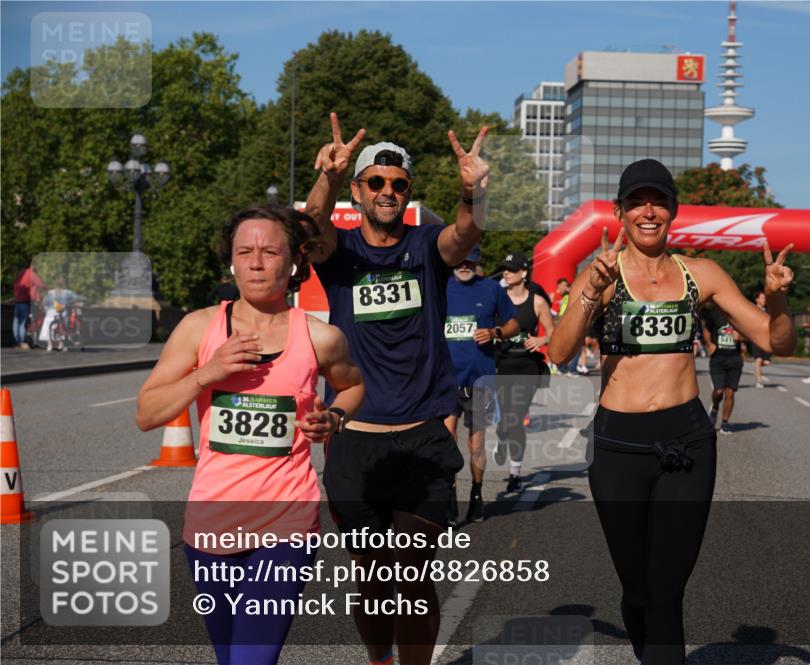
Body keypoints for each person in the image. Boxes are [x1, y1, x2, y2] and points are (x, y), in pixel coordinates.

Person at [548, 158, 795, 665]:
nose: (648, 211)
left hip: (686, 441)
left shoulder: (700, 273)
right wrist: (589, 293)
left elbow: (776, 342)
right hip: (618, 446)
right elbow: (559, 352)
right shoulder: (602, 273)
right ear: (620, 211)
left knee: (667, 589)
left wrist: (777, 299)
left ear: (673, 211)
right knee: (638, 589)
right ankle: (644, 627)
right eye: (637, 201)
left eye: (658, 201)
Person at [135, 205, 364, 665]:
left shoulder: (321, 337)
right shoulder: (200, 328)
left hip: (286, 524)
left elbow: (353, 385)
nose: (257, 262)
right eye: (245, 251)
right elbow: (146, 414)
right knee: (230, 657)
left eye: (270, 251)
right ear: (232, 261)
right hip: (210, 525)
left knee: (250, 661)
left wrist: (334, 418)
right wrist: (208, 372)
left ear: (294, 262)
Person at [303, 113, 488, 665]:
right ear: (359, 190)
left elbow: (468, 232)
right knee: (373, 580)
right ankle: (379, 660)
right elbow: (309, 229)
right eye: (376, 182)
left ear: (408, 192)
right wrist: (328, 177)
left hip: (423, 438)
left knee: (413, 574)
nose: (388, 190)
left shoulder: (428, 246)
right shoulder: (340, 256)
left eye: (398, 183)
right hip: (356, 441)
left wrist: (472, 188)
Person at [443, 244, 519, 523]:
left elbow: (514, 324)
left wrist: (494, 332)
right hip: (447, 378)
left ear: (477, 263)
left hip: (480, 379)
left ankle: (476, 494)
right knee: (446, 440)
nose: (464, 265)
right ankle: (449, 500)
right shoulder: (440, 286)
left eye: (470, 261)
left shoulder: (491, 289)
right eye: (460, 260)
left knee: (476, 443)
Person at [494, 251, 557, 494]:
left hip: (528, 367)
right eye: (504, 269)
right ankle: (502, 438)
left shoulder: (537, 301)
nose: (506, 273)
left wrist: (542, 339)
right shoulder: (498, 298)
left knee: (516, 418)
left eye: (511, 269)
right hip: (503, 364)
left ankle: (515, 473)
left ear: (523, 273)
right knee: (504, 422)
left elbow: (553, 331)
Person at [702, 306, 743, 435]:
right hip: (718, 358)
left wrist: (741, 337)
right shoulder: (714, 314)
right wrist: (709, 344)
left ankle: (725, 423)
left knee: (730, 393)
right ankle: (714, 408)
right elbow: (707, 330)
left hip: (735, 359)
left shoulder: (739, 315)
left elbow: (750, 334)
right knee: (719, 390)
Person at [40, 277, 81, 351]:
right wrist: (69, 303)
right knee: (63, 326)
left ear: (55, 284)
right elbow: (77, 298)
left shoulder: (50, 292)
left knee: (47, 327)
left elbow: (44, 302)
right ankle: (61, 344)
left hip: (51, 312)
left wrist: (45, 307)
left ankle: (50, 345)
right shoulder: (67, 292)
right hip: (62, 311)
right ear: (63, 284)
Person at [12, 263, 45, 350]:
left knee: (16, 321)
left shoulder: (21, 273)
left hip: (17, 301)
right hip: (26, 301)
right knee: (23, 322)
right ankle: (22, 342)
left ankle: (17, 341)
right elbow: (41, 285)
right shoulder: (32, 274)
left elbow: (15, 285)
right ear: (33, 265)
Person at [746, 291, 772, 388]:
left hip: (766, 339)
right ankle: (758, 381)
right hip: (755, 338)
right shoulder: (752, 310)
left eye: (765, 298)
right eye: (762, 298)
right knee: (759, 359)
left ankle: (757, 366)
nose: (764, 300)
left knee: (766, 362)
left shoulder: (767, 311)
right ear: (757, 299)